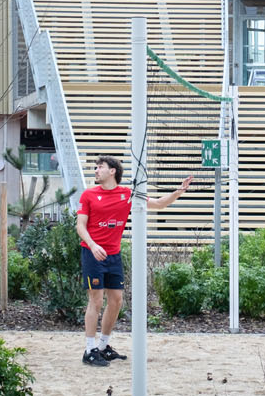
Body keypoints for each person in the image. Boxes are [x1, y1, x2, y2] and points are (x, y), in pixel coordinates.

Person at [77, 154, 193, 366]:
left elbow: (159, 204)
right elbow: (80, 226)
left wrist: (179, 191)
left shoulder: (127, 194)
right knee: (96, 300)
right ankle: (89, 350)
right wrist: (93, 245)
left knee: (116, 300)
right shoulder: (89, 195)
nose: (96, 170)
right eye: (96, 167)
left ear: (112, 171)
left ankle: (103, 346)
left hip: (113, 255)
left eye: (100, 167)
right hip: (92, 253)